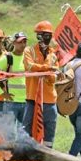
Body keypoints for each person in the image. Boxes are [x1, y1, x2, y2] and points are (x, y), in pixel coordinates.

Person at [23, 20, 59, 148]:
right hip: (33, 98)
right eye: (44, 35)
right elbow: (30, 66)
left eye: (49, 35)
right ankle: (28, 157)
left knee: (50, 130)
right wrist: (47, 68)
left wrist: (48, 72)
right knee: (28, 128)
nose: (46, 38)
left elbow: (54, 77)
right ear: (38, 36)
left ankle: (47, 157)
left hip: (49, 100)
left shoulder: (53, 54)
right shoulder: (29, 51)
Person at [0, 32, 28, 131]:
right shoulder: (7, 58)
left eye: (25, 42)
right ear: (14, 43)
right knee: (8, 136)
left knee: (23, 136)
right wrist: (2, 94)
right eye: (20, 42)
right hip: (10, 103)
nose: (23, 44)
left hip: (27, 103)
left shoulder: (28, 58)